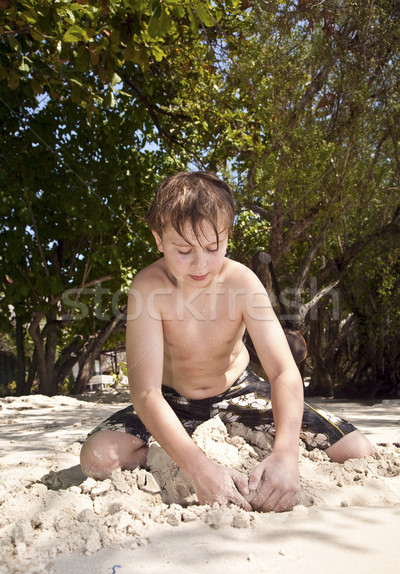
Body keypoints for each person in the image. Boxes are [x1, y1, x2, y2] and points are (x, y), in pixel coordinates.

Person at [80, 171, 374, 513]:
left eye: (212, 247)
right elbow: (146, 393)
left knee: (359, 451)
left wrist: (285, 455)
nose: (201, 263)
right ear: (159, 240)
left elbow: (282, 371)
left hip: (241, 394)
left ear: (227, 236)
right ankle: (182, 453)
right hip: (173, 403)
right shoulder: (147, 287)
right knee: (97, 457)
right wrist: (196, 467)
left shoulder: (242, 282)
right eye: (184, 250)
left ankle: (254, 446)